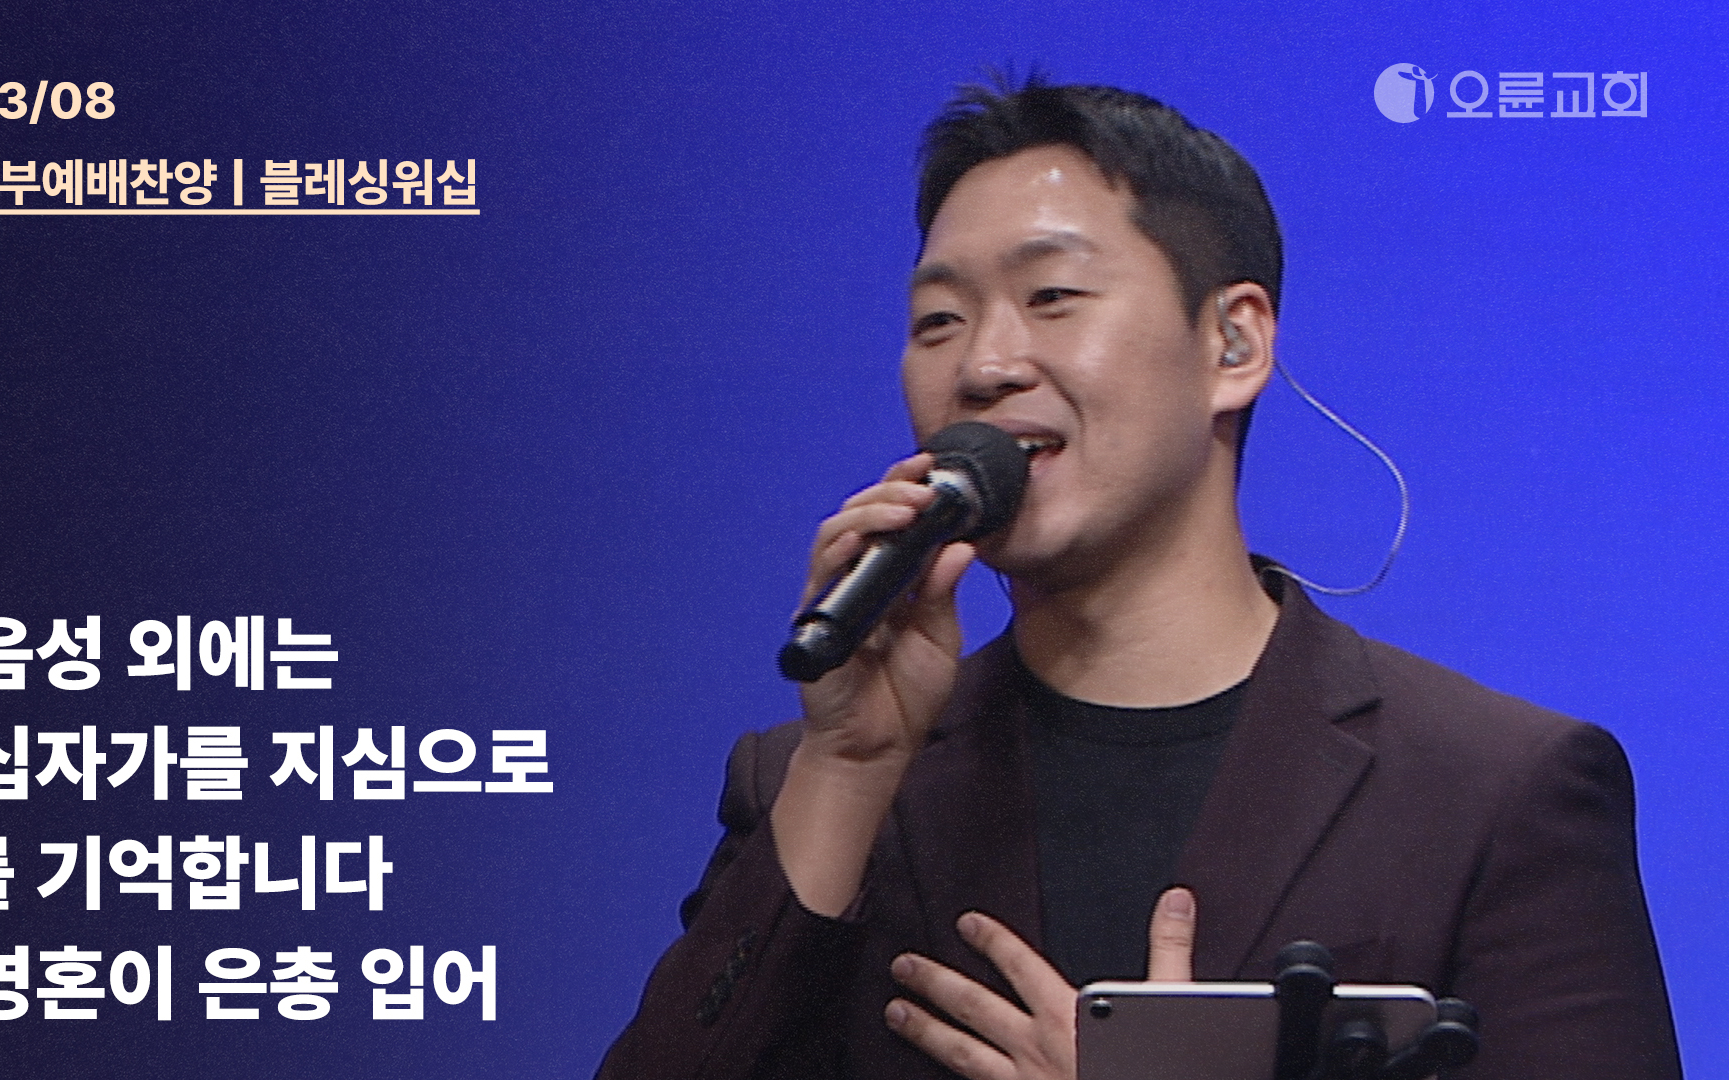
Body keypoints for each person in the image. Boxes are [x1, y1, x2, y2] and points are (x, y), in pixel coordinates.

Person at [596, 79, 1681, 1080]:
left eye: (1053, 296)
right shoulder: (813, 780)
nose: (984, 365)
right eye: (938, 321)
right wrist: (847, 768)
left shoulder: (1491, 790)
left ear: (1233, 345)